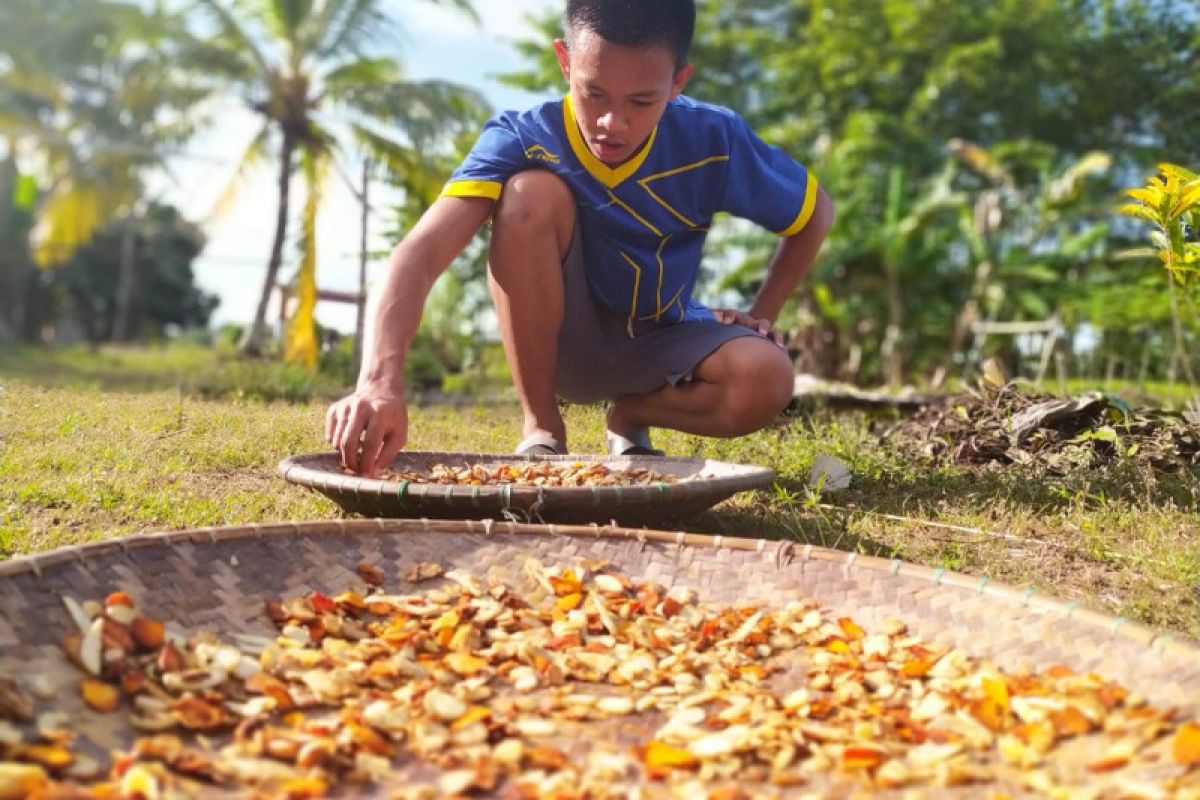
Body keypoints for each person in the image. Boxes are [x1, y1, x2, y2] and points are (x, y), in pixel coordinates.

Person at [326, 0, 834, 477]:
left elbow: (814, 215)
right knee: (528, 194)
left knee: (768, 377)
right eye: (594, 93)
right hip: (560, 346)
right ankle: (542, 425)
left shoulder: (712, 138)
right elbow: (418, 254)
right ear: (565, 62)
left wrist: (761, 315)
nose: (613, 123)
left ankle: (630, 414)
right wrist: (378, 381)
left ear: (678, 81)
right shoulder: (522, 137)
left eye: (642, 100)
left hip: (664, 342)